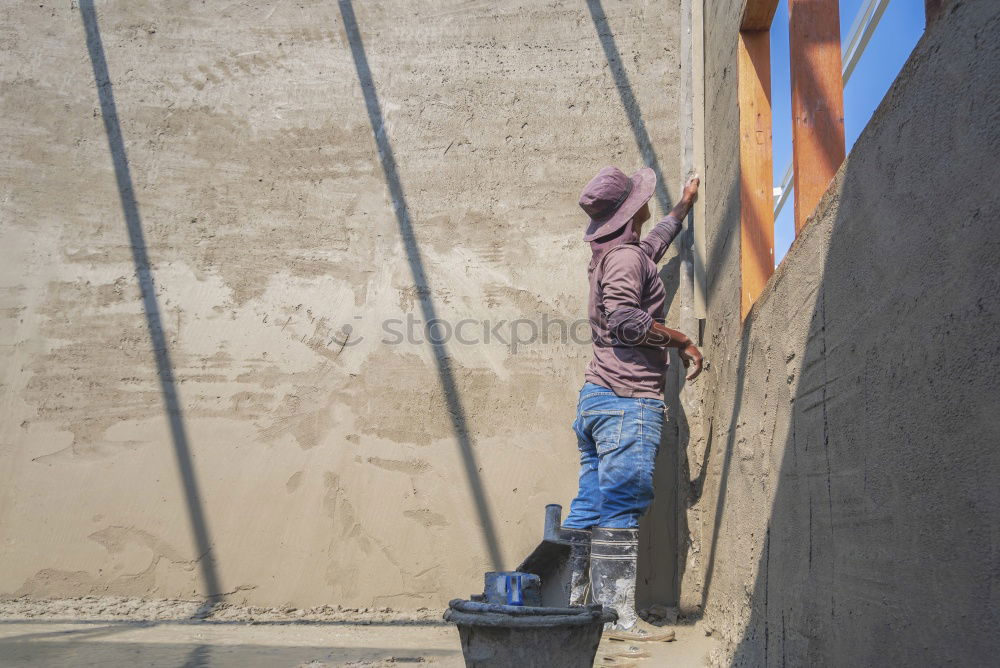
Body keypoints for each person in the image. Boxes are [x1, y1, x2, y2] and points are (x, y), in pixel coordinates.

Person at [561, 166, 703, 643]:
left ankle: (574, 608)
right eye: (643, 197)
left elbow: (652, 245)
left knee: (590, 505)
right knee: (620, 506)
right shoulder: (625, 261)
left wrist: (683, 207)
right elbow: (625, 320)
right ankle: (618, 620)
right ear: (630, 210)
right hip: (626, 401)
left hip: (598, 399)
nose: (648, 200)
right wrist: (680, 338)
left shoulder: (618, 254)